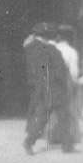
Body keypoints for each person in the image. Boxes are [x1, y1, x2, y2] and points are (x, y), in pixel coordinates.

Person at [23, 23, 74, 155]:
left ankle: (29, 141)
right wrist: (64, 84)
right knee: (63, 115)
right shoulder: (52, 49)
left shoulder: (29, 48)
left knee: (42, 117)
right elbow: (60, 70)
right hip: (54, 87)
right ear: (48, 35)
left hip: (39, 87)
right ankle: (67, 145)